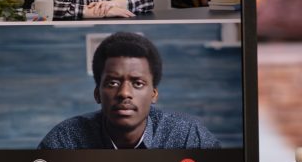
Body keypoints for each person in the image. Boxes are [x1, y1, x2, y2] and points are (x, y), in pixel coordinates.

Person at [39, 32, 221, 149]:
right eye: (112, 83)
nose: (124, 93)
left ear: (153, 94)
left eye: (138, 83)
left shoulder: (187, 137)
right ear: (97, 94)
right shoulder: (65, 140)